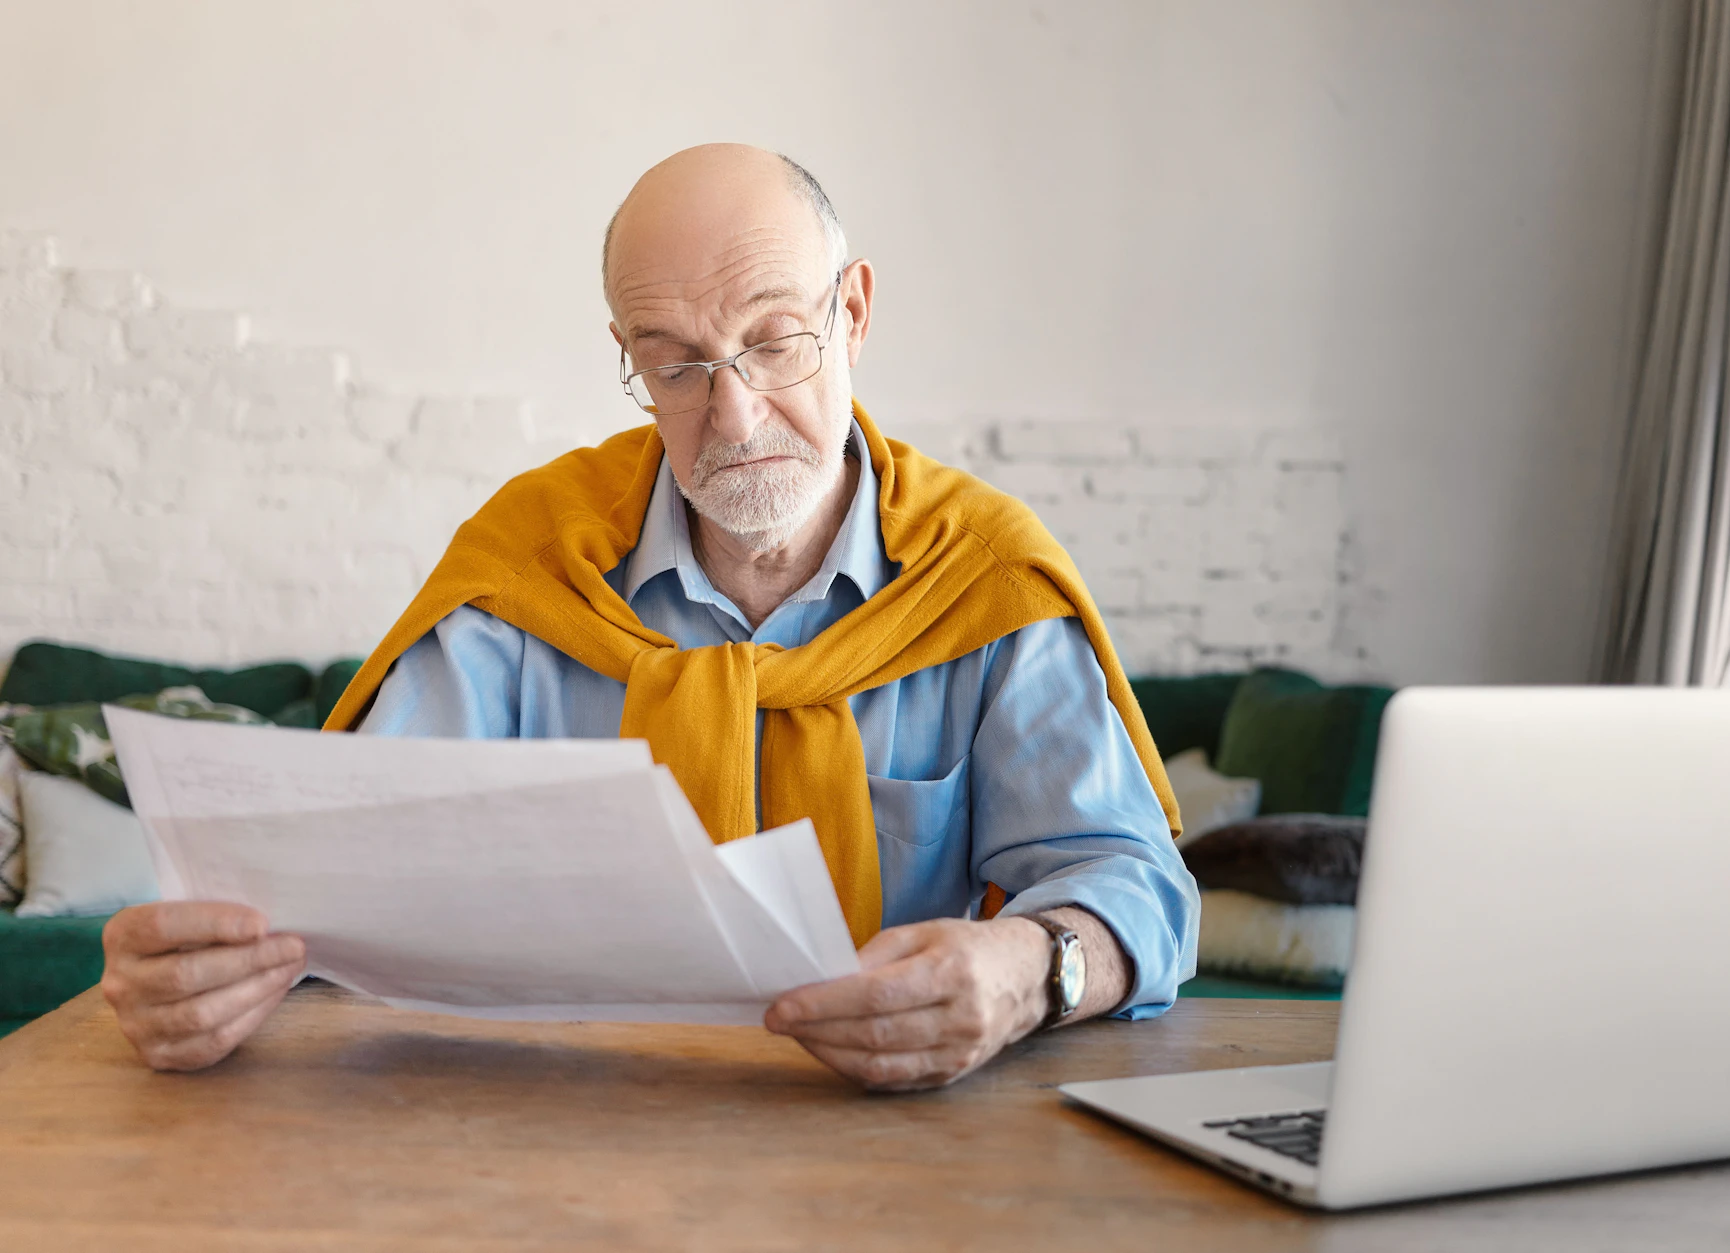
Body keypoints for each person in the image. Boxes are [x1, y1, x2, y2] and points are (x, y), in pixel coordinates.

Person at [101, 144, 1199, 1090]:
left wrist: (1030, 971)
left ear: (852, 312)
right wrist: (208, 967)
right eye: (673, 363)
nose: (732, 412)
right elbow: (338, 872)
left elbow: (1130, 882)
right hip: (560, 1128)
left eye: (772, 342)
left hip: (899, 1135)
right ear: (627, 353)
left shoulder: (981, 580)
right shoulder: (529, 567)